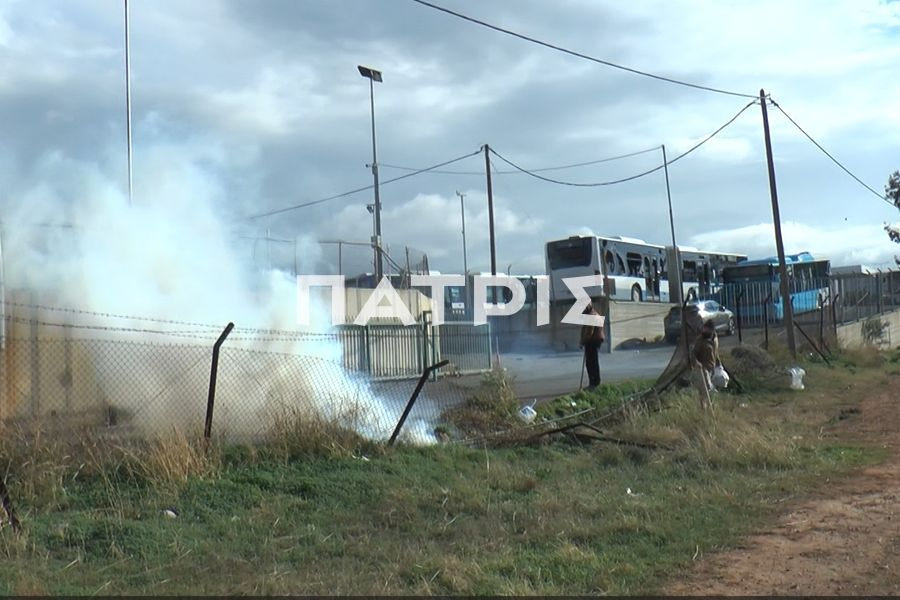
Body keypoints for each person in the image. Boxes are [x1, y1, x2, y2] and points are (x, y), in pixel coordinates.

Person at [691, 320, 721, 408]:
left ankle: (708, 406)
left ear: (712, 330)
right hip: (702, 368)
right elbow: (693, 354)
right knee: (705, 388)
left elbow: (715, 352)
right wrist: (697, 363)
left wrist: (719, 363)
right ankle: (705, 407)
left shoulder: (714, 338)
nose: (704, 330)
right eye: (704, 328)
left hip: (711, 366)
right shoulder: (700, 340)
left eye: (707, 329)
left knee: (708, 388)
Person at [579, 303, 605, 389]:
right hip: (594, 340)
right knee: (592, 362)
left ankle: (594, 383)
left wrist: (583, 342)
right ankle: (594, 382)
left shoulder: (591, 316)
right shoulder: (592, 314)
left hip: (593, 341)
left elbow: (589, 332)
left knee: (591, 363)